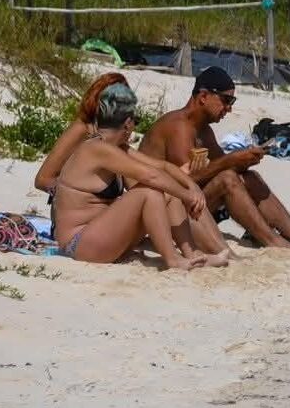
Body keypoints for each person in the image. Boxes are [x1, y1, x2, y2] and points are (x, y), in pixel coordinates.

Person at [139, 67, 290, 251]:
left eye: (232, 101)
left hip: (187, 206)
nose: (229, 108)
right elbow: (185, 181)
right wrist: (231, 161)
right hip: (163, 212)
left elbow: (219, 165)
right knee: (228, 179)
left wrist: (244, 160)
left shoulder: (204, 131)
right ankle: (274, 241)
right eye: (226, 100)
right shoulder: (178, 127)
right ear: (203, 96)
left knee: (249, 176)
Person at [50, 83, 227, 269]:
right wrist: (189, 196)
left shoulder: (117, 148)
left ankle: (192, 253)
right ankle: (173, 259)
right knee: (149, 192)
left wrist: (191, 186)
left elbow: (162, 166)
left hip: (101, 238)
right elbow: (151, 176)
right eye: (136, 120)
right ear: (127, 123)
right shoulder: (97, 149)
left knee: (170, 194)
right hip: (78, 244)